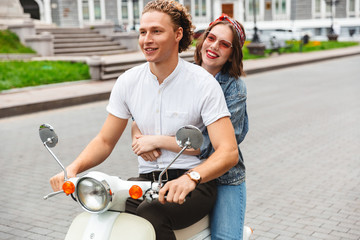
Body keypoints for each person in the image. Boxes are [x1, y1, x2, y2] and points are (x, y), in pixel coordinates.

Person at [49, 1, 238, 239]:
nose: (147, 39)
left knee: (152, 214)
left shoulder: (203, 84)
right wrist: (73, 168)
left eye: (156, 31)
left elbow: (228, 151)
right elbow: (106, 141)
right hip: (147, 181)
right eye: (142, 32)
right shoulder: (128, 82)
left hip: (194, 183)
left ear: (178, 34)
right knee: (105, 209)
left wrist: (192, 178)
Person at [132, 14, 249, 240]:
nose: (214, 46)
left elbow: (205, 145)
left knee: (225, 238)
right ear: (203, 39)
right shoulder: (181, 72)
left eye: (224, 44)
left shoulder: (234, 89)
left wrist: (156, 140)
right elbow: (143, 113)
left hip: (221, 176)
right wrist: (139, 139)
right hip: (173, 172)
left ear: (233, 53)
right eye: (211, 38)